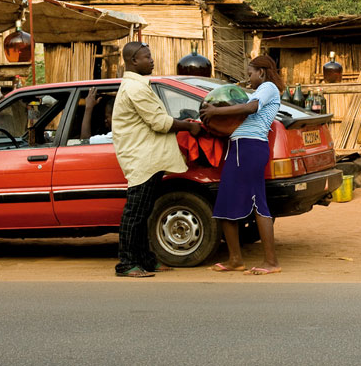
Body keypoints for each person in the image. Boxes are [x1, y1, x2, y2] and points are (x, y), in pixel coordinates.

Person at [111, 41, 203, 277]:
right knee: (135, 213)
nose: (151, 61)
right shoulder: (136, 89)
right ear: (133, 61)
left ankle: (146, 260)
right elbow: (160, 123)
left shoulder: (139, 86)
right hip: (142, 159)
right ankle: (126, 264)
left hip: (149, 157)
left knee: (143, 213)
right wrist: (188, 127)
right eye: (147, 57)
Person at [200, 54, 284, 275]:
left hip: (250, 147)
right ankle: (235, 259)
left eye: (250, 74)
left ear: (262, 72)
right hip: (240, 148)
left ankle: (271, 262)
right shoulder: (260, 89)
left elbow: (250, 109)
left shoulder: (268, 87)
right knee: (226, 203)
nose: (248, 79)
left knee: (258, 203)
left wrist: (215, 112)